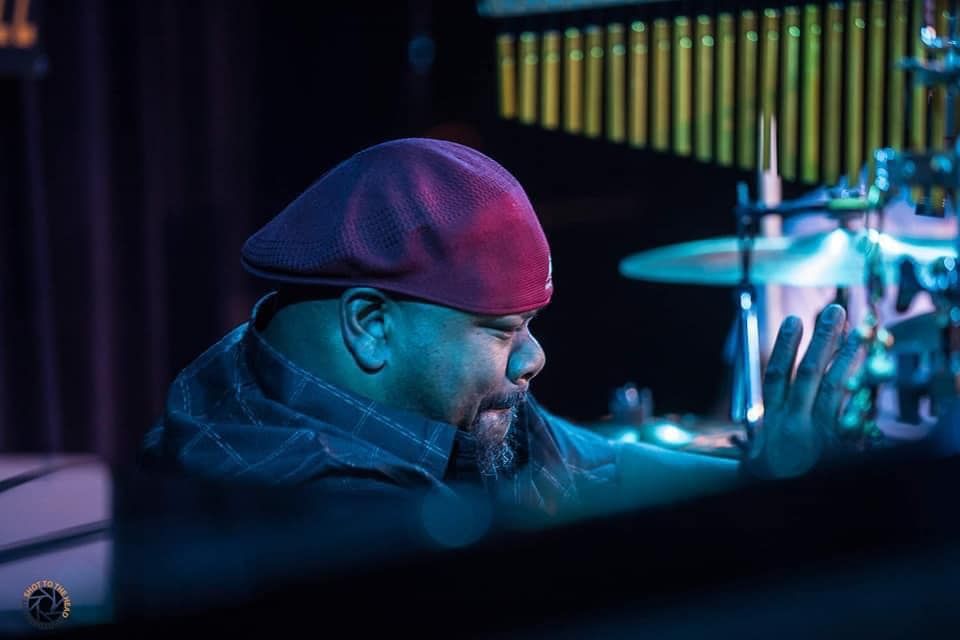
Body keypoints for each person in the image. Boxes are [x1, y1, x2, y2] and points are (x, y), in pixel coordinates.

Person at [140, 137, 863, 519]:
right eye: (501, 330)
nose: (533, 358)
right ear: (370, 325)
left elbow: (596, 463)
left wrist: (759, 478)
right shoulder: (289, 493)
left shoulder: (426, 396)